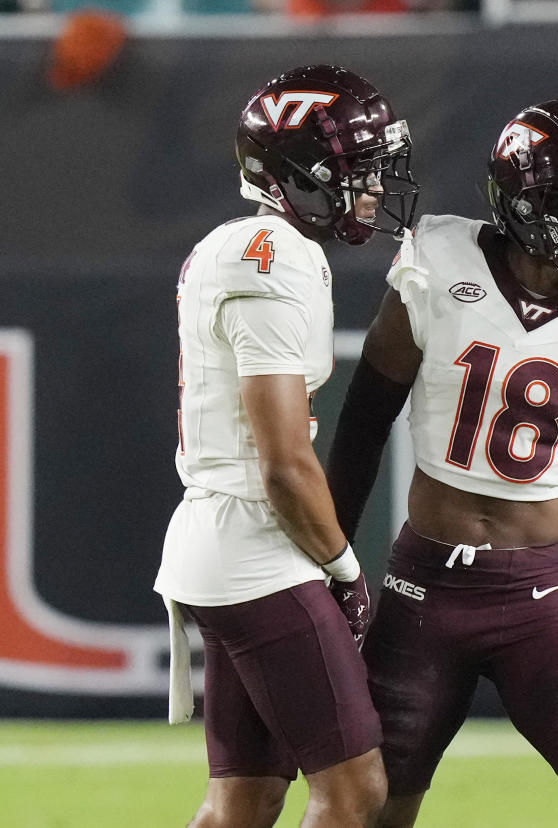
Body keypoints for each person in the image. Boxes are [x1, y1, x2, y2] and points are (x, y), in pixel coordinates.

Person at [325, 99, 558, 828]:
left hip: (540, 589)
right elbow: (361, 428)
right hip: (423, 584)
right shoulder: (440, 259)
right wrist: (332, 571)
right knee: (373, 806)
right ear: (522, 203)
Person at [154, 64, 419, 828]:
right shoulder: (274, 257)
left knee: (244, 798)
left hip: (225, 543)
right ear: (302, 170)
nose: (373, 186)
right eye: (358, 168)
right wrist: (342, 565)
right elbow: (281, 459)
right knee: (354, 790)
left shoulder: (244, 245)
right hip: (254, 550)